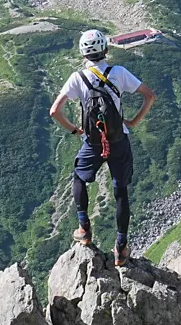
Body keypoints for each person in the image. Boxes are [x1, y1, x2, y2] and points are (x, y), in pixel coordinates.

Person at [49, 28, 155, 264]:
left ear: (83, 54)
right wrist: (133, 122)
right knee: (121, 191)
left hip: (93, 141)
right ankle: (121, 247)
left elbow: (55, 111)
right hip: (118, 139)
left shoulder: (78, 78)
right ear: (106, 50)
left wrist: (76, 130)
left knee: (79, 178)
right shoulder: (118, 72)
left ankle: (84, 228)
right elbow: (150, 95)